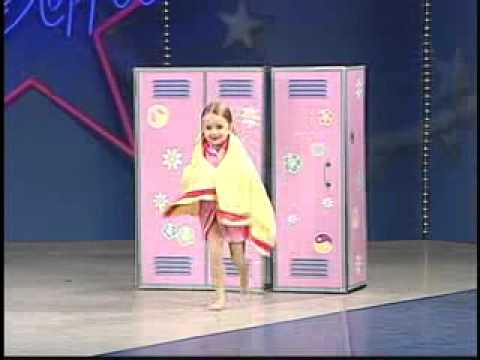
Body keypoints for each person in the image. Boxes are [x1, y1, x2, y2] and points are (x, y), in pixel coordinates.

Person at [163, 101, 276, 311]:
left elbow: (245, 176)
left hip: (233, 207)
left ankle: (244, 269)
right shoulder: (200, 150)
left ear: (230, 127)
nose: (213, 132)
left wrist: (223, 181)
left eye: (219, 127)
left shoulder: (236, 151)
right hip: (210, 207)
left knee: (237, 255)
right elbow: (194, 173)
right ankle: (220, 297)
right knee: (214, 253)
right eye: (208, 128)